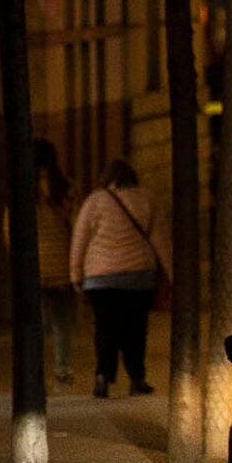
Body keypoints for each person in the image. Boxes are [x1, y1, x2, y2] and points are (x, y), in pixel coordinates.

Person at [71, 158, 162, 398]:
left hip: (101, 279)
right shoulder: (145, 199)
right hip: (138, 277)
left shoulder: (95, 201)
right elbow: (160, 239)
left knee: (105, 329)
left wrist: (75, 274)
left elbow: (80, 239)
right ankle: (137, 378)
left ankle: (102, 376)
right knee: (136, 329)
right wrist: (171, 275)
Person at [34, 140, 78, 384]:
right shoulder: (66, 188)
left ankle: (36, 368)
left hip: (35, 267)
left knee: (36, 322)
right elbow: (75, 224)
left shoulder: (23, 189)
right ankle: (62, 369)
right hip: (62, 265)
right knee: (62, 322)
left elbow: (9, 227)